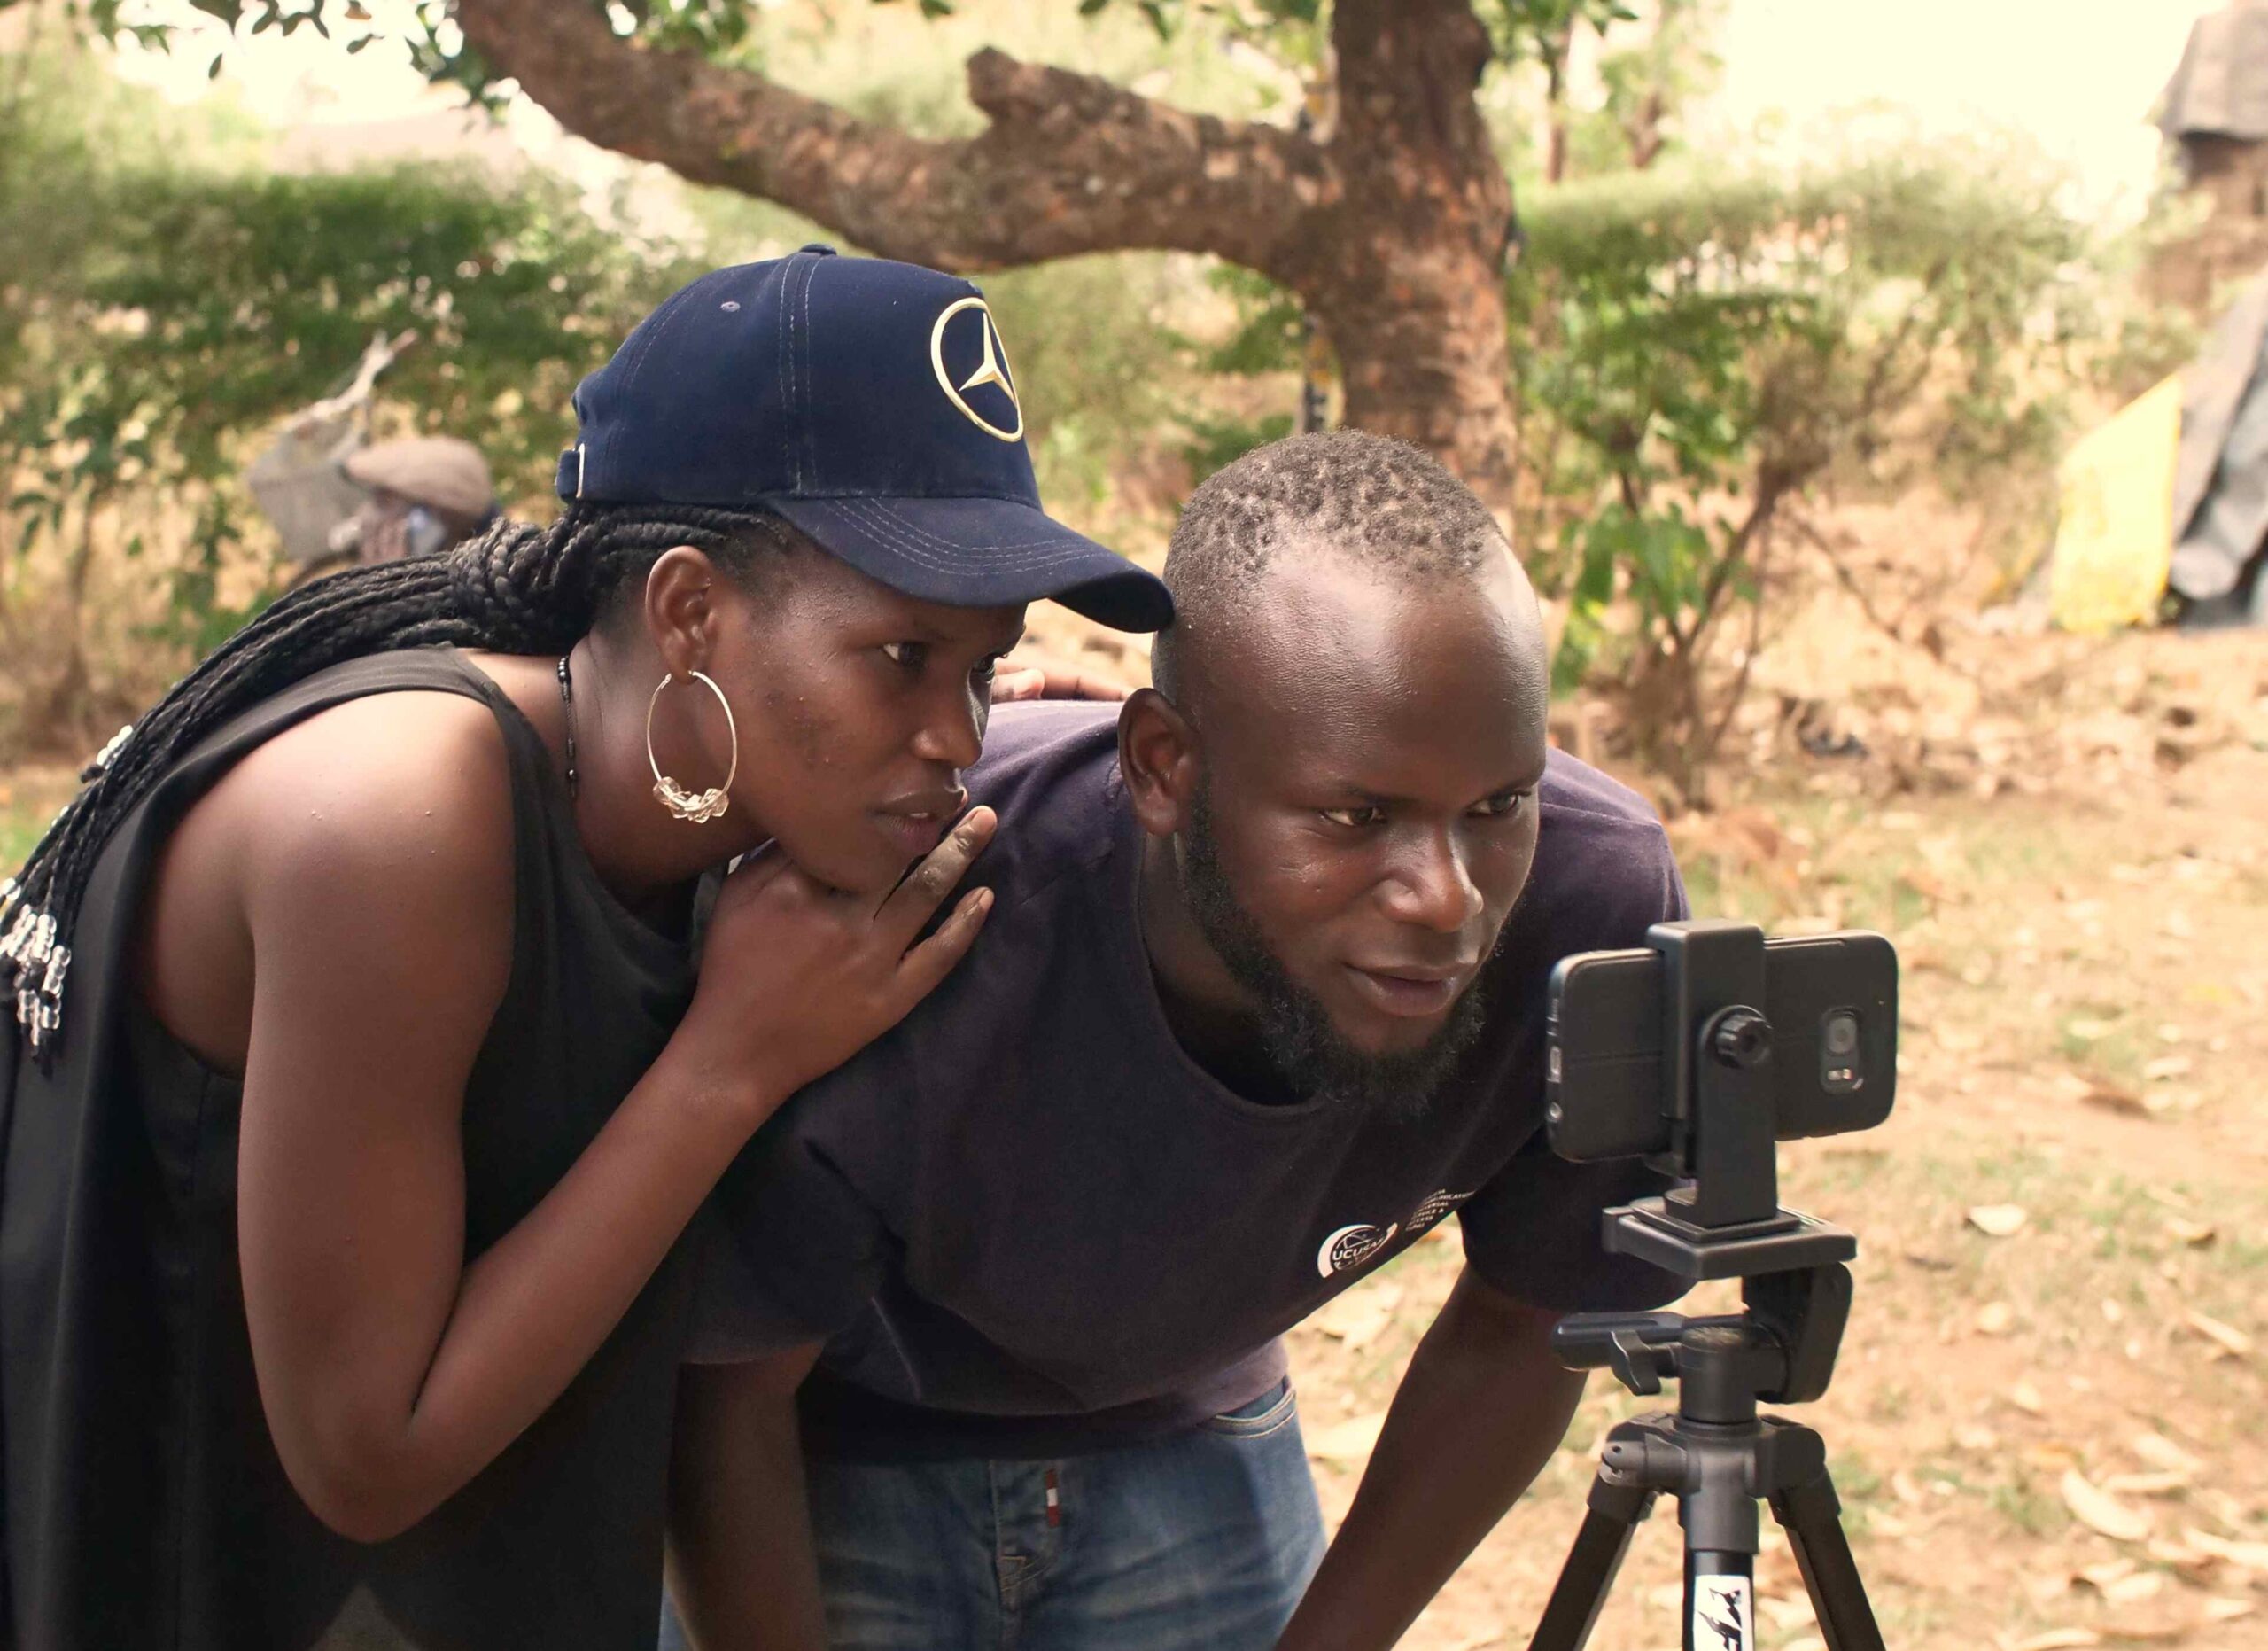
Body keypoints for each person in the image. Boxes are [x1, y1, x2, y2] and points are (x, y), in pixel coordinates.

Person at [0, 247, 1169, 1651]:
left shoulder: (708, 793)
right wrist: (729, 1063)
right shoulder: (398, 821)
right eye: (902, 657)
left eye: (980, 666)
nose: (958, 735)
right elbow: (367, 1455)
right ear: (689, 612)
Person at [666, 430, 1691, 1651]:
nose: (1446, 898)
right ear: (1163, 767)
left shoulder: (1591, 911)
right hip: (843, 1433)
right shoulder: (910, 908)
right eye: (1358, 815)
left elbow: (1530, 1317)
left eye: (1499, 806)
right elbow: (729, 1394)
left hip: (1189, 1415)